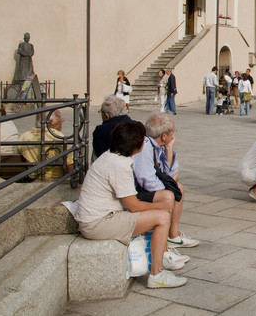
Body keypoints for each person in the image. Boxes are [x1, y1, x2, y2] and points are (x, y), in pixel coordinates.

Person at [74, 121, 187, 289]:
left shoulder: (110, 156)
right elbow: (133, 206)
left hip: (98, 217)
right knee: (162, 217)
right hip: (98, 223)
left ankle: (162, 257)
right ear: (139, 144)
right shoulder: (119, 164)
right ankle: (157, 274)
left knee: (161, 208)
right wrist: (160, 208)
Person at [132, 113, 199, 250]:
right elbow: (147, 180)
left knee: (178, 188)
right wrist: (168, 187)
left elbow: (171, 173)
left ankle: (173, 235)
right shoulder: (145, 147)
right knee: (168, 195)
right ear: (164, 135)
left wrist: (169, 149)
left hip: (145, 187)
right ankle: (162, 246)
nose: (174, 135)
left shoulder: (157, 146)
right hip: (134, 192)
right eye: (173, 132)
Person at [17, 109, 73, 180]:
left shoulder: (24, 136)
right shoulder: (57, 137)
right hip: (56, 180)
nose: (62, 120)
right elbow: (70, 166)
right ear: (52, 122)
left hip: (33, 179)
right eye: (59, 117)